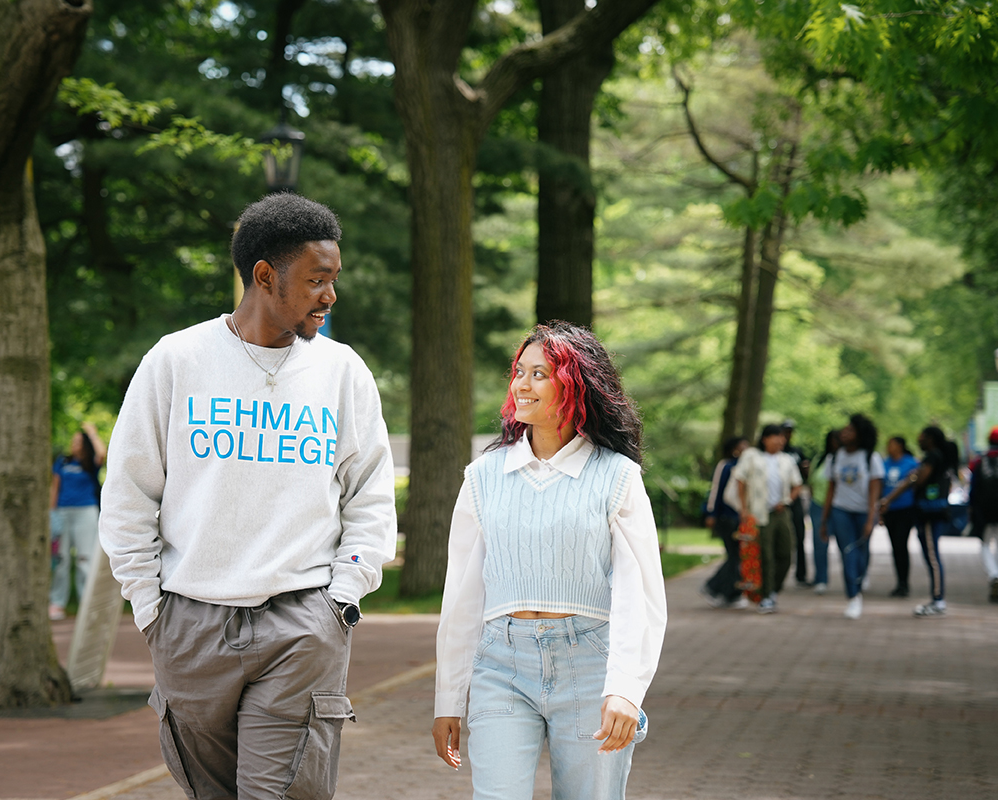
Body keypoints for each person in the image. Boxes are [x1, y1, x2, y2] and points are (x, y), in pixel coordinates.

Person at [99, 193, 397, 800]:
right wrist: (151, 609)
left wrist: (341, 600)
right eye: (316, 280)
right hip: (190, 625)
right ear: (265, 276)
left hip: (302, 623)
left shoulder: (342, 372)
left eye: (333, 279)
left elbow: (369, 498)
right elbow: (129, 493)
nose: (330, 296)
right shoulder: (176, 361)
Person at [432, 323, 666, 800]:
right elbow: (461, 596)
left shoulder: (617, 476)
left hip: (591, 665)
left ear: (576, 384)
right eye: (519, 372)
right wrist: (448, 698)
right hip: (500, 666)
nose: (522, 384)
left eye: (539, 374)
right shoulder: (483, 476)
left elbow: (639, 595)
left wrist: (625, 688)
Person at [881, 426, 957, 617]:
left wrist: (911, 479)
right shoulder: (937, 457)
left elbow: (919, 479)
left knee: (932, 557)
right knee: (931, 555)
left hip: (930, 513)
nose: (919, 440)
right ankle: (936, 599)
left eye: (922, 437)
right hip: (930, 511)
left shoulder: (933, 457)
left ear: (930, 439)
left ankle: (938, 600)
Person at [732, 425, 802, 614]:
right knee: (765, 555)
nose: (780, 441)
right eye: (776, 437)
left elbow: (797, 485)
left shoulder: (786, 460)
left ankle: (774, 590)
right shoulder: (752, 456)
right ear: (765, 438)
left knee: (786, 553)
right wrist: (743, 509)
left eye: (782, 437)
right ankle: (766, 595)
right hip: (759, 513)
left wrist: (786, 501)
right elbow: (740, 480)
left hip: (781, 513)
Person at [820, 414, 883, 619]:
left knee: (861, 554)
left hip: (863, 512)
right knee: (847, 552)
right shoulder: (834, 458)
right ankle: (853, 596)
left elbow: (874, 490)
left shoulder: (870, 458)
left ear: (860, 434)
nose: (844, 433)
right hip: (841, 511)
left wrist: (871, 519)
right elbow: (831, 489)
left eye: (850, 430)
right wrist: (824, 520)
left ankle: (859, 580)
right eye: (845, 430)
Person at [48, 421, 107, 621]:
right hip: (62, 513)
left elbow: (102, 453)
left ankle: (88, 604)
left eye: (79, 442)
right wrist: (52, 514)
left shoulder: (90, 464)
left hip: (86, 512)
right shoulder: (62, 462)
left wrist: (92, 433)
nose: (75, 445)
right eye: (73, 442)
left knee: (85, 559)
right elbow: (55, 488)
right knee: (61, 559)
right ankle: (57, 603)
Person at [700, 436, 749, 609]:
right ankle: (713, 587)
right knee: (735, 555)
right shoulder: (726, 465)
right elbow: (716, 490)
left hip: (741, 518)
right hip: (726, 517)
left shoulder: (747, 467)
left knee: (738, 556)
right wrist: (711, 513)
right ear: (734, 449)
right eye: (742, 446)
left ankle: (730, 593)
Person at [969, 426, 998, 604]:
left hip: (984, 509)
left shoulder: (980, 460)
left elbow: (973, 487)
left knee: (985, 544)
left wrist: (972, 508)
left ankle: (994, 574)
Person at [880, 436, 918, 598]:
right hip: (889, 511)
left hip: (905, 509)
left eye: (892, 444)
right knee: (895, 546)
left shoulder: (911, 463)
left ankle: (904, 583)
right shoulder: (884, 463)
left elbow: (913, 483)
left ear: (900, 446)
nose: (889, 447)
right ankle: (900, 582)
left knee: (901, 544)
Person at [808, 430, 841, 595]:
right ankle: (821, 578)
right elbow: (811, 481)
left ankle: (855, 577)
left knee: (845, 542)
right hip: (818, 504)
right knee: (819, 542)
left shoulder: (844, 459)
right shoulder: (820, 459)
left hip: (840, 506)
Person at [782, 419, 813, 589]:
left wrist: (806, 469)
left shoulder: (797, 452)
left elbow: (805, 476)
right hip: (778, 499)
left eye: (790, 432)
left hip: (795, 498)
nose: (787, 435)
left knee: (800, 535)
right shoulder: (775, 453)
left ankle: (801, 574)